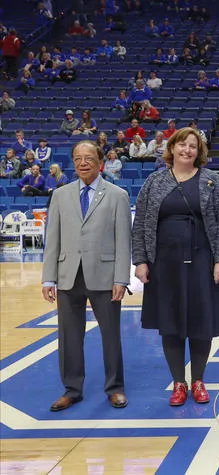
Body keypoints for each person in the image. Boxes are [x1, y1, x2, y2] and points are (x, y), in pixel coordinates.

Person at [132, 127, 219, 407]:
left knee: (202, 322)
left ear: (199, 153)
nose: (187, 150)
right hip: (164, 264)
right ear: (172, 148)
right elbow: (140, 223)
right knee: (171, 323)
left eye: (193, 146)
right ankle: (179, 382)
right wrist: (140, 261)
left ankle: (198, 380)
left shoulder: (212, 181)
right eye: (182, 145)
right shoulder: (153, 182)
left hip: (204, 262)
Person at [41, 140, 131, 412]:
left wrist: (121, 279)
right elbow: (52, 238)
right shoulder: (61, 195)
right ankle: (72, 389)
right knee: (69, 336)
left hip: (104, 276)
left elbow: (123, 242)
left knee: (111, 335)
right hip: (68, 275)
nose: (83, 163)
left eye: (89, 158)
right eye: (78, 158)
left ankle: (115, 388)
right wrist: (48, 278)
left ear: (100, 162)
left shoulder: (117, 195)